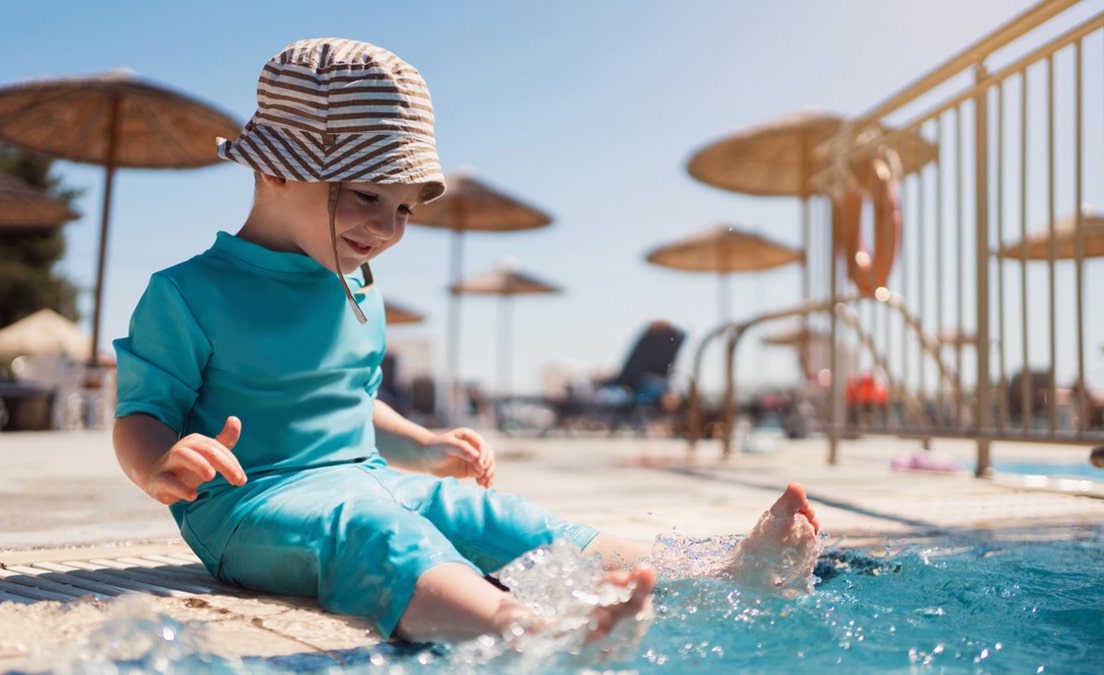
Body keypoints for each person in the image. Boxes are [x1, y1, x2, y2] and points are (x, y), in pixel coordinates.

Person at [112, 37, 821, 649]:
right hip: (252, 502)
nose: (387, 228)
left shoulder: (355, 289)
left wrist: (419, 444)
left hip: (367, 476)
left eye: (403, 209)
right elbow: (140, 414)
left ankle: (720, 575)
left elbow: (354, 404)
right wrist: (158, 465)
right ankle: (528, 631)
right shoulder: (188, 293)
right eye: (365, 195)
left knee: (498, 516)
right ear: (274, 167)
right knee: (373, 535)